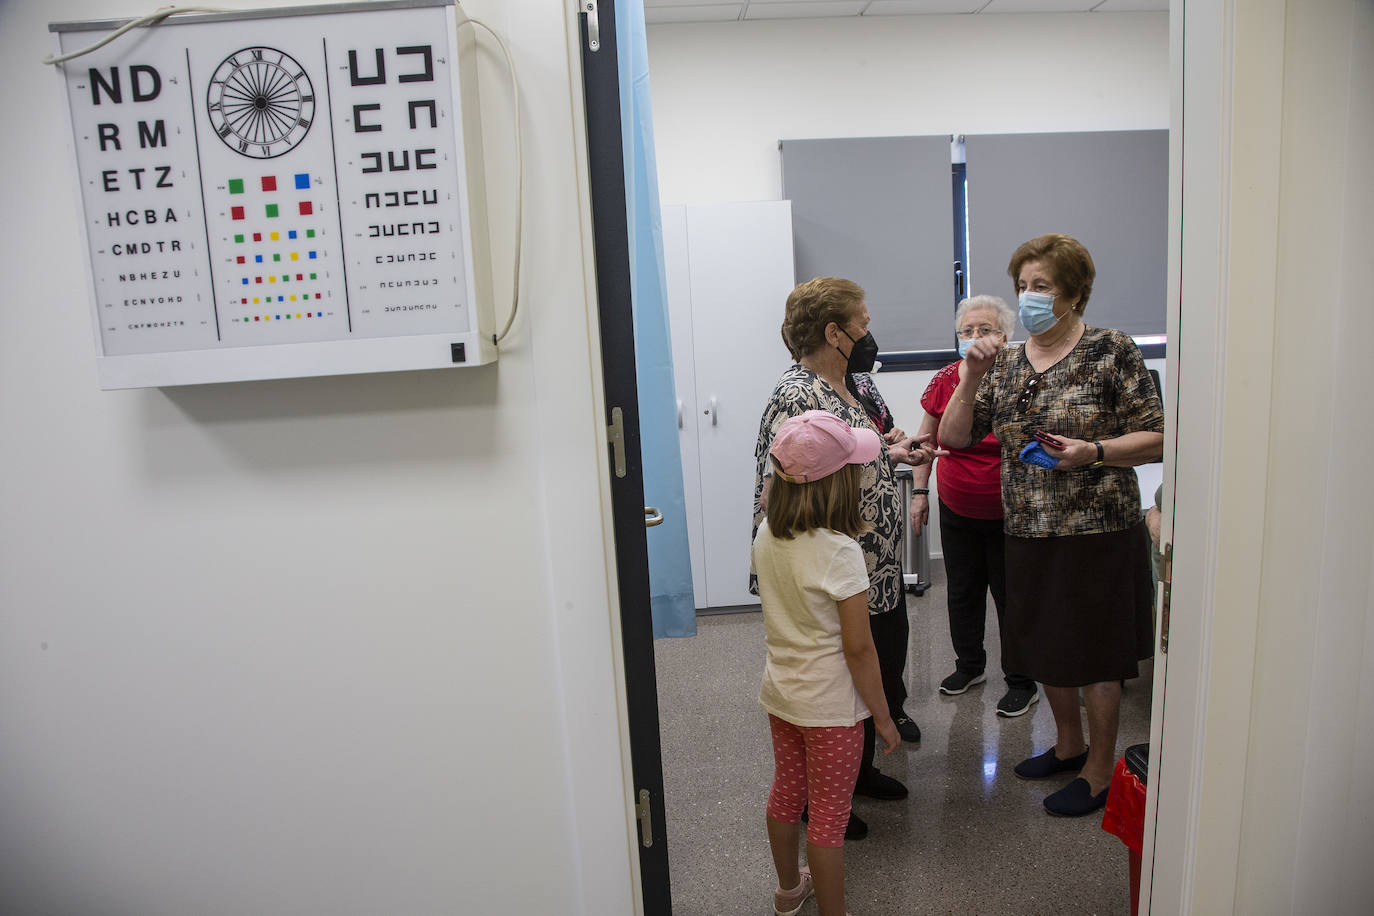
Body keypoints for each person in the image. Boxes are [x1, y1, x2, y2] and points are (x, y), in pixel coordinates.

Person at [938, 234, 1164, 818]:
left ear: (1074, 293)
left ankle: (1099, 770)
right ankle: (1067, 745)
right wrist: (969, 376)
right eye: (1023, 286)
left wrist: (1091, 452)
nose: (1029, 297)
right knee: (1044, 643)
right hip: (1028, 528)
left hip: (1097, 529)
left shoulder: (1111, 349)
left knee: (1094, 649)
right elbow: (955, 436)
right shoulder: (1007, 362)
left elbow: (1158, 435)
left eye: (1042, 286)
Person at [753, 277, 942, 839]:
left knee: (877, 668)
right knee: (836, 683)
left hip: (875, 565)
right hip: (832, 573)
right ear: (834, 332)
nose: (869, 332)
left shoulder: (852, 385)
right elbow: (783, 486)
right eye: (861, 322)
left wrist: (893, 450)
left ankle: (858, 772)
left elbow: (852, 448)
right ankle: (820, 798)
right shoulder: (798, 395)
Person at [754, 410, 902, 916]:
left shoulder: (765, 535)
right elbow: (860, 649)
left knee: (786, 795)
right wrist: (883, 716)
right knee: (828, 822)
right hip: (832, 710)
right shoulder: (841, 553)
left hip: (783, 695)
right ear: (837, 483)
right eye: (854, 469)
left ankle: (787, 891)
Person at [912, 295, 1039, 716]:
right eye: (967, 331)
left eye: (984, 330)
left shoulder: (1023, 376)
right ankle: (970, 666)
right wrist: (918, 493)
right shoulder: (946, 378)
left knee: (1011, 595)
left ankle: (1022, 680)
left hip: (1011, 511)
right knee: (962, 593)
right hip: (957, 508)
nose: (974, 338)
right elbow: (926, 442)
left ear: (1005, 336)